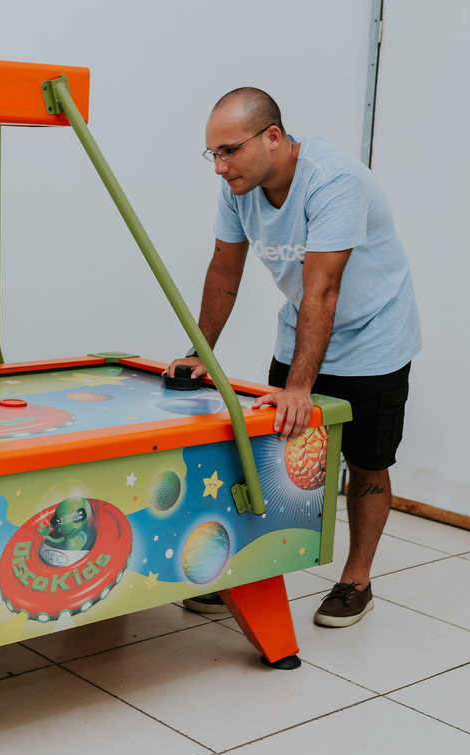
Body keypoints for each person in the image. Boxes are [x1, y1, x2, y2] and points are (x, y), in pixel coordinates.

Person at [169, 88, 421, 628]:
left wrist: (301, 387)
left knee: (367, 463)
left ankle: (357, 580)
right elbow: (223, 272)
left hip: (374, 337)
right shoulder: (238, 187)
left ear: (274, 137)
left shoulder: (335, 181)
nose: (220, 166)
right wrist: (199, 353)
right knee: (272, 457)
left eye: (229, 150)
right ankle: (253, 576)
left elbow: (323, 288)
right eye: (212, 154)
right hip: (301, 329)